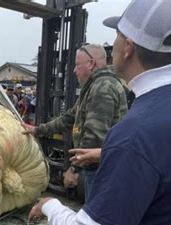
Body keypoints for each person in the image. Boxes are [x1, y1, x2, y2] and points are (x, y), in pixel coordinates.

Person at [28, 1, 171, 225]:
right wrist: (107, 153)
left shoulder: (137, 132)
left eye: (116, 36)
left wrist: (51, 206)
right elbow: (164, 161)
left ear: (128, 47)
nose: (113, 46)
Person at [23, 43, 128, 201]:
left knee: (95, 216)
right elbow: (68, 118)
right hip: (97, 166)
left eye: (77, 65)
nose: (73, 70)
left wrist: (74, 170)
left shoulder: (102, 87)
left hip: (100, 169)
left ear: (91, 64)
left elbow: (94, 137)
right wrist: (38, 130)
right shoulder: (94, 87)